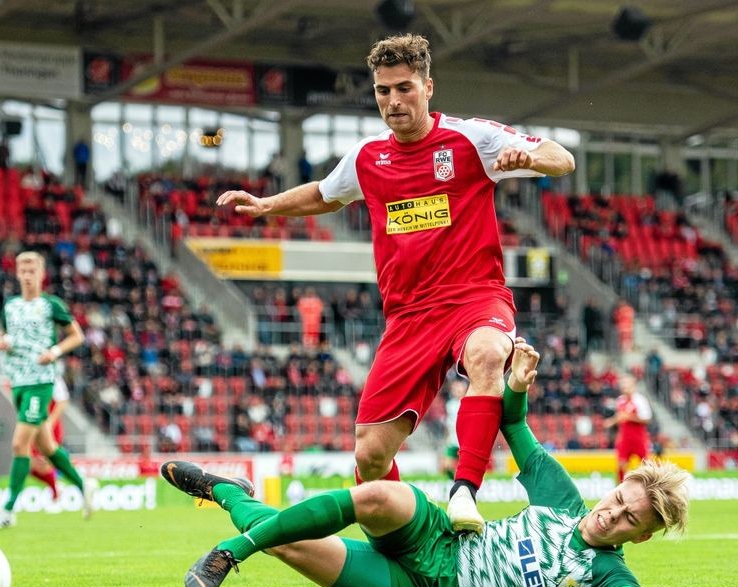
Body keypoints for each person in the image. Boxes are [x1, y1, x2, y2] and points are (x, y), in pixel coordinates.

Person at [215, 34, 574, 532]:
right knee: (370, 456)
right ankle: (410, 537)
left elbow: (562, 156)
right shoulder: (367, 158)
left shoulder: (471, 139)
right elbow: (324, 194)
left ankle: (465, 492)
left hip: (474, 296)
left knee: (491, 355)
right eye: (383, 91)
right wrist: (266, 204)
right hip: (407, 317)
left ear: (428, 87)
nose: (393, 101)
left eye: (404, 88)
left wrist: (531, 160)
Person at [165, 339, 714, 587]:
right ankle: (230, 553)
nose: (612, 513)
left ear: (640, 537)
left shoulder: (608, 581)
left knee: (285, 543)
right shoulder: (563, 499)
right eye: (619, 499)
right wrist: (518, 386)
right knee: (381, 492)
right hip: (443, 539)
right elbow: (514, 424)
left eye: (629, 519)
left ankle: (228, 493)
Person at [0, 251, 97, 530]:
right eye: (23, 270)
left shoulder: (50, 305)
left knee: (20, 444)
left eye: (33, 270)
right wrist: (2, 343)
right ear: (17, 274)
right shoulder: (9, 307)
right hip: (17, 381)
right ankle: (84, 484)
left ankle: (7, 511)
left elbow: (76, 335)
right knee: (46, 446)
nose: (28, 275)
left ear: (41, 274)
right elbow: (7, 336)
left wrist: (54, 351)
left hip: (41, 381)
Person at [29, 373, 72, 500]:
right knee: (31, 465)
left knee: (45, 461)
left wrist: (50, 422)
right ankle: (56, 487)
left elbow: (63, 401)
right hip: (33, 426)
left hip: (49, 427)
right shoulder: (28, 375)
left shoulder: (52, 376)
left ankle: (57, 491)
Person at [604, 375, 653, 482]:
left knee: (646, 465)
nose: (625, 387)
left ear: (633, 385)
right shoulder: (620, 400)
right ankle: (620, 490)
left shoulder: (640, 400)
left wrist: (630, 417)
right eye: (623, 384)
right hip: (625, 438)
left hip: (638, 438)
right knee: (621, 465)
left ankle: (649, 489)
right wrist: (611, 422)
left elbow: (647, 418)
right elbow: (620, 417)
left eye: (627, 384)